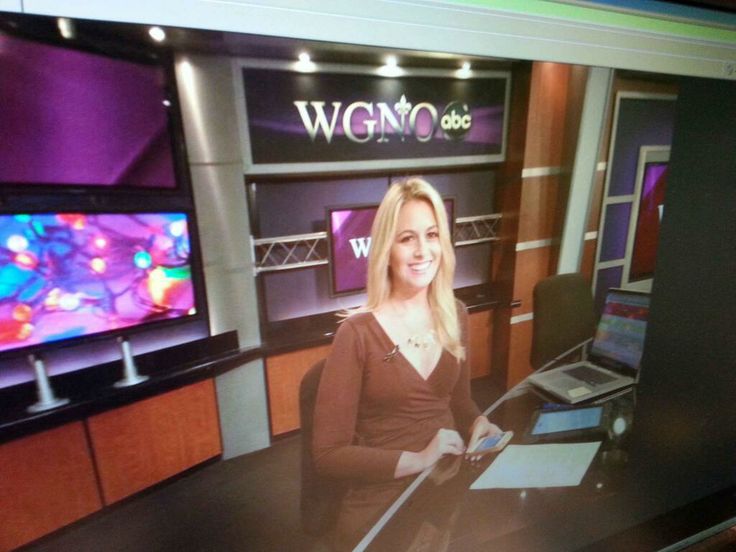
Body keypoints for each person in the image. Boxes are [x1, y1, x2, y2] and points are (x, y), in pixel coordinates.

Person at [312, 177, 502, 550]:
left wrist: (478, 423)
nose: (422, 251)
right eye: (406, 238)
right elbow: (327, 455)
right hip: (383, 505)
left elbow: (459, 404)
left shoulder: (456, 315)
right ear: (386, 248)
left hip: (444, 486)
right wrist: (419, 459)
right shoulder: (357, 333)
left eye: (431, 235)